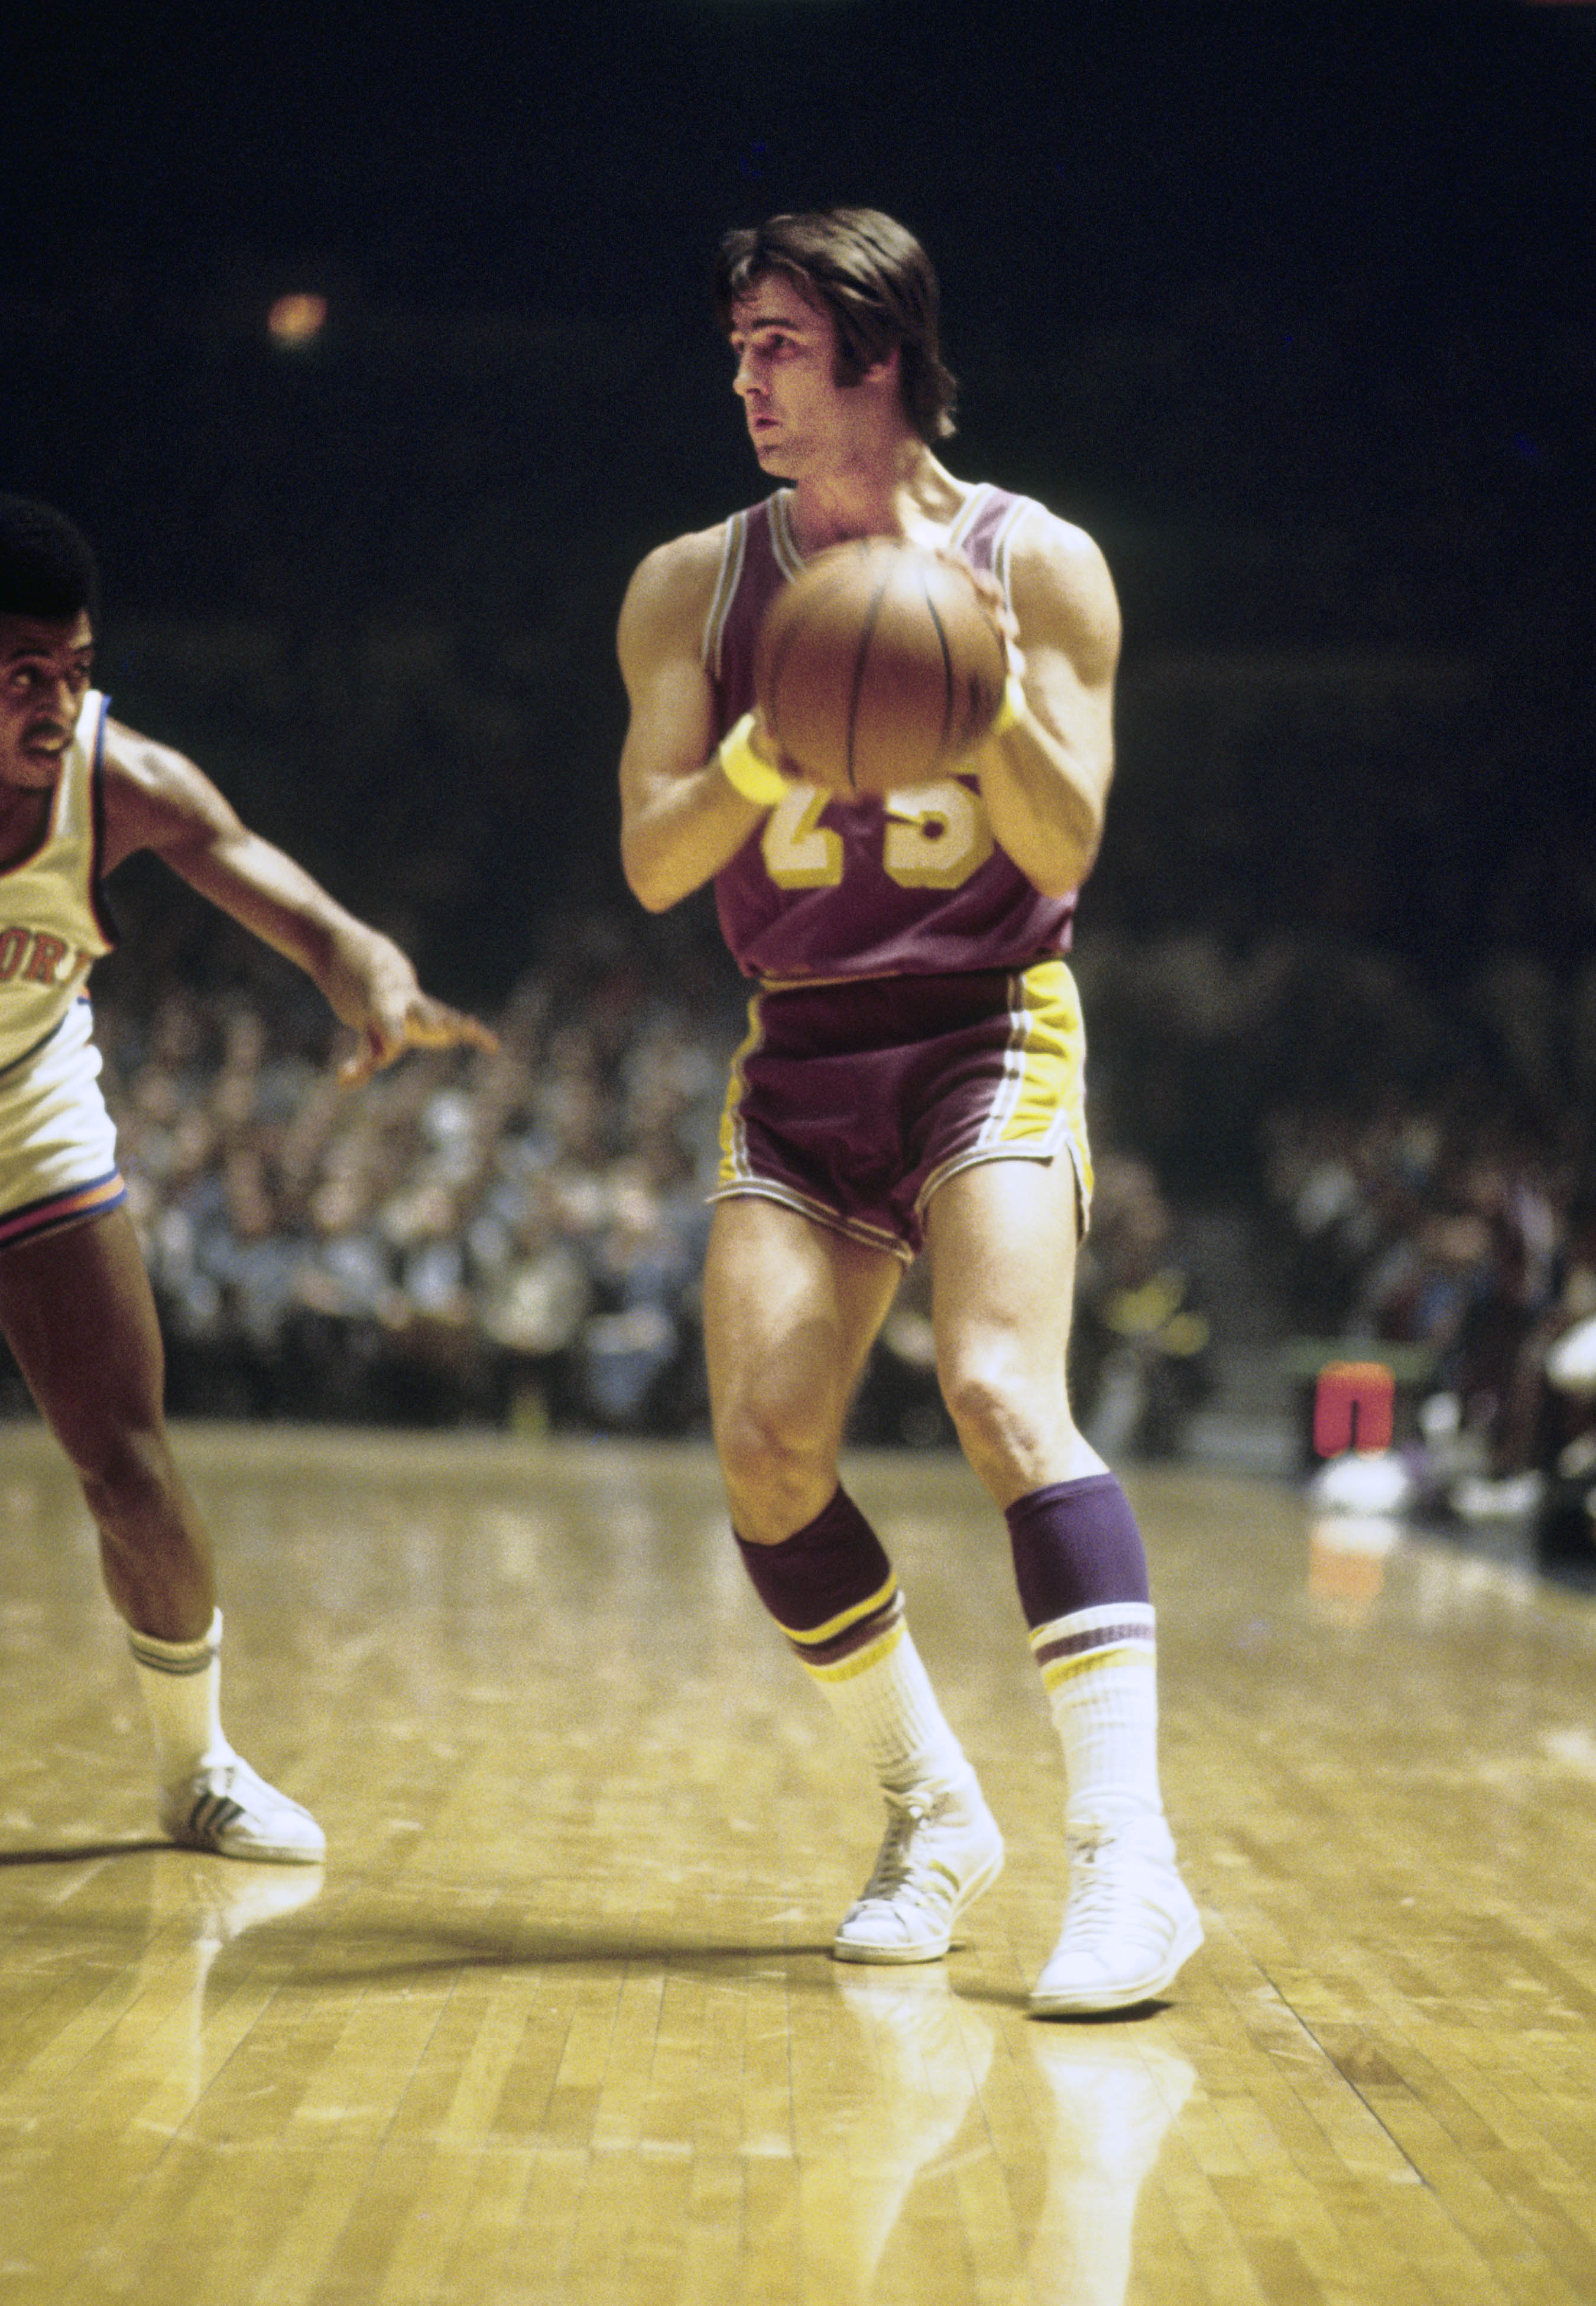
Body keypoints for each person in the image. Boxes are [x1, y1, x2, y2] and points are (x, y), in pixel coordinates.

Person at [617, 208, 1201, 2014]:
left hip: (983, 1020)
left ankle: (1129, 1860)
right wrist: (768, 738)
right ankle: (932, 1807)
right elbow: (652, 864)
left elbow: (1068, 842)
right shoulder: (688, 585)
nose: (744, 378)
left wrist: (965, 683)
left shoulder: (1046, 565)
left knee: (998, 1386)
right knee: (768, 1445)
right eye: (735, 348)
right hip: (799, 1040)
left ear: (876, 355)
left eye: (777, 345)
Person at [0, 494, 495, 1862]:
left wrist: (368, 975)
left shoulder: (123, 782)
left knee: (128, 1461)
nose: (57, 701)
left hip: (24, 1107)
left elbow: (296, 906)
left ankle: (197, 1770)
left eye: (76, 669)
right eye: (23, 674)